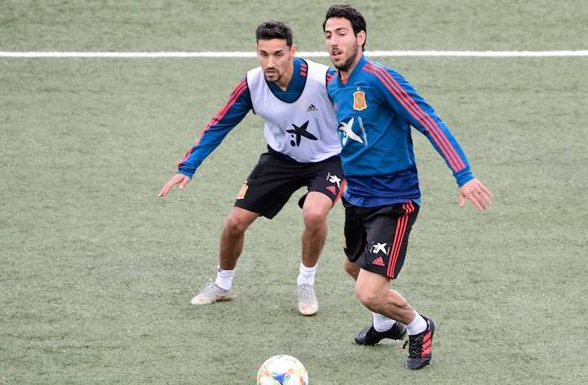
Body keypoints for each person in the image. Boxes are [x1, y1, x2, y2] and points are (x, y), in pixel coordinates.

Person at [323, 5, 492, 369]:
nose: (333, 42)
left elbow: (428, 121)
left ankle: (418, 327)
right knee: (353, 267)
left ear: (360, 38)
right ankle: (384, 325)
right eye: (328, 35)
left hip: (393, 200)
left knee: (368, 290)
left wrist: (463, 175)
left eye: (341, 33)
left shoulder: (381, 79)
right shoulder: (332, 84)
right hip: (357, 199)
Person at [158, 21, 344, 316]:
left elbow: (360, 116)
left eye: (278, 54)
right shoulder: (252, 84)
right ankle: (222, 285)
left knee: (314, 212)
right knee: (234, 223)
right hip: (281, 159)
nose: (270, 62)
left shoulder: (325, 79)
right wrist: (188, 166)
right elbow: (220, 125)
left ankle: (305, 283)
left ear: (292, 51)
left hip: (329, 160)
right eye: (263, 54)